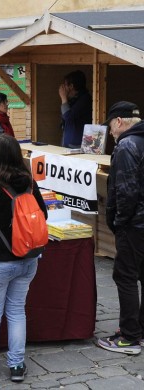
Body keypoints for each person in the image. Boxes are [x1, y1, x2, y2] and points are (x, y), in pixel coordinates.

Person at [0, 134, 47, 383]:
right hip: (28, 257)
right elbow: (42, 214)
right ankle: (16, 366)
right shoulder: (28, 181)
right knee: (17, 310)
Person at [97, 101, 144, 355]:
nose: (111, 134)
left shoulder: (127, 145)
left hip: (134, 225)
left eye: (111, 128)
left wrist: (118, 222)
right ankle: (140, 331)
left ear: (119, 122)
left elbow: (126, 191)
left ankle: (129, 338)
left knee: (125, 277)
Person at [58, 70, 92, 148]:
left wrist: (63, 98)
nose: (63, 88)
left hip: (76, 145)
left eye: (65, 85)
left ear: (71, 86)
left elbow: (68, 117)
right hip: (70, 143)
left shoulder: (84, 99)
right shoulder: (74, 99)